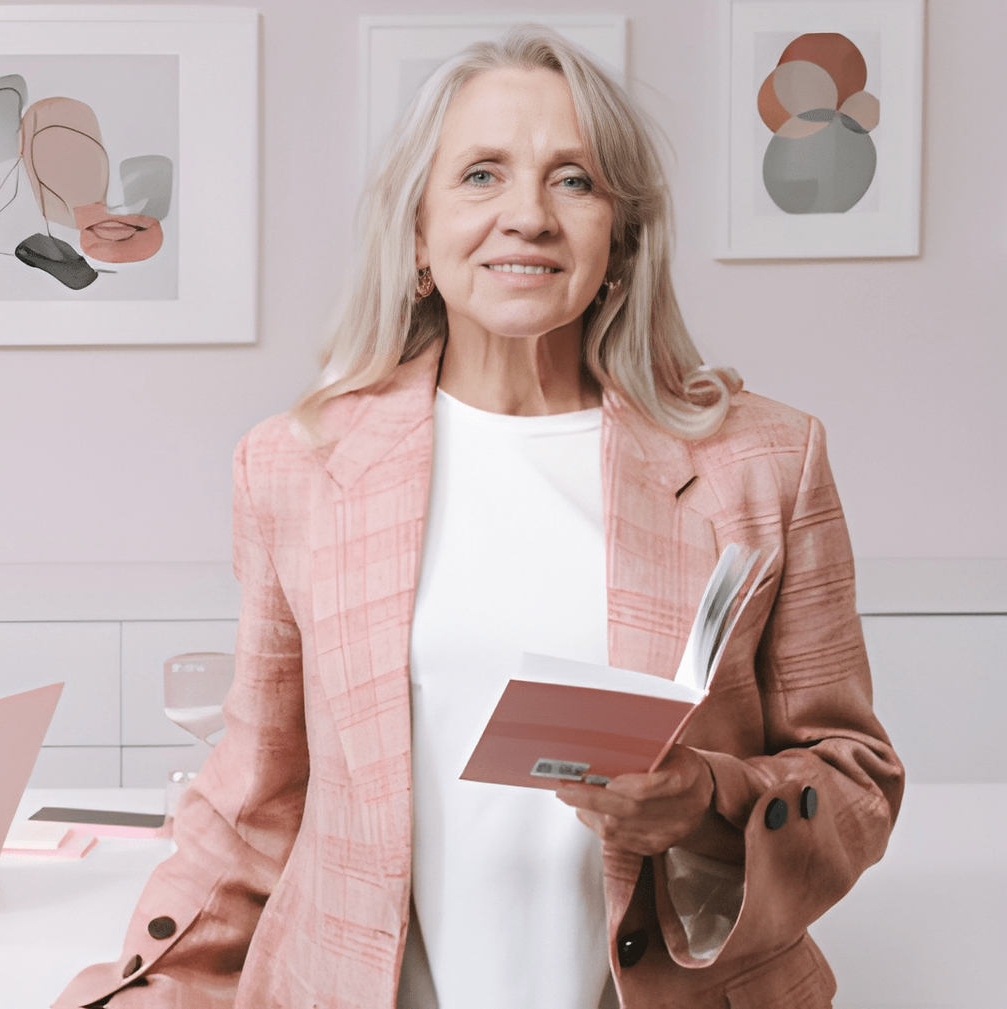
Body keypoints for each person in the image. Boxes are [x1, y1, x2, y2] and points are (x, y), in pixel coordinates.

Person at [53, 27, 902, 1009]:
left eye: (574, 180)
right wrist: (134, 986)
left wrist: (708, 801)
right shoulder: (297, 466)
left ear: (620, 242)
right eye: (482, 175)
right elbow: (257, 800)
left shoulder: (765, 463)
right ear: (419, 236)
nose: (528, 216)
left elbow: (857, 781)